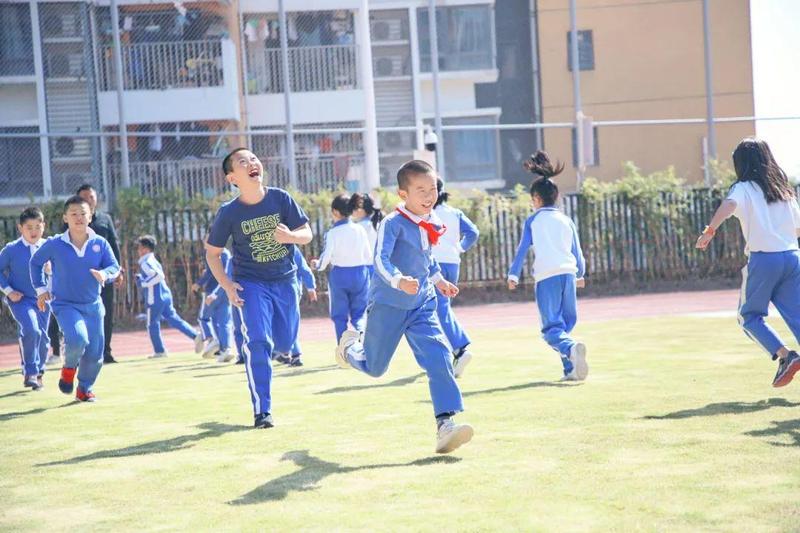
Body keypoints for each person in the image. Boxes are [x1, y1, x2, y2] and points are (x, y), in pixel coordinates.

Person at [336, 160, 473, 454]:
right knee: (375, 368)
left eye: (433, 188)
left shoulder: (429, 219)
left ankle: (445, 425)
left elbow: (426, 259)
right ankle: (349, 349)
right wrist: (399, 281)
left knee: (439, 357)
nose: (429, 195)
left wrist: (438, 281)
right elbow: (380, 260)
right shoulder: (392, 223)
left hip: (422, 304)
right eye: (421, 190)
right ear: (403, 194)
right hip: (388, 305)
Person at [205, 147, 313, 429]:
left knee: (285, 343)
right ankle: (262, 410)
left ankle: (280, 350)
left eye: (254, 158)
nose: (252, 163)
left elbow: (307, 234)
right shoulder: (229, 213)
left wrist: (291, 237)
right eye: (243, 161)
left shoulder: (280, 198)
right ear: (232, 178)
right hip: (250, 283)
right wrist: (227, 285)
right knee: (257, 342)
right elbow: (212, 253)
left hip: (285, 280)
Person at [696, 138, 800, 387]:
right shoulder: (784, 190)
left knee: (749, 316)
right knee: (797, 316)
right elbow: (797, 228)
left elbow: (729, 204)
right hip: (792, 257)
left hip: (764, 260)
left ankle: (786, 356)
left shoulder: (743, 188)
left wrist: (709, 231)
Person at [507, 150, 588, 382]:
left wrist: (513, 275)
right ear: (557, 197)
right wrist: (580, 274)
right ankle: (570, 369)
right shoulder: (566, 220)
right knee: (563, 326)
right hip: (568, 275)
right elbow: (577, 251)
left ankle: (570, 349)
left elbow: (522, 249)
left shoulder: (533, 220)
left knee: (550, 330)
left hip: (547, 277)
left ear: (536, 199)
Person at [30, 196, 120, 402]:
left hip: (93, 305)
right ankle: (69, 368)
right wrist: (41, 289)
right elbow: (35, 263)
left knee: (95, 353)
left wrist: (104, 274)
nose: (79, 217)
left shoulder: (100, 243)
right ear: (65, 218)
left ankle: (84, 389)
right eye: (74, 214)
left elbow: (114, 267)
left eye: (83, 213)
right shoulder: (55, 244)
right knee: (78, 339)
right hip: (65, 304)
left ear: (90, 217)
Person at [48, 184, 123, 365]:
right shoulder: (72, 221)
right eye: (84, 197)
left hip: (102, 277)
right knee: (67, 315)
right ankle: (59, 351)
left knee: (105, 314)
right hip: (75, 280)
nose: (89, 200)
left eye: (92, 197)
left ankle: (105, 352)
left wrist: (117, 270)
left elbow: (113, 245)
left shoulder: (105, 219)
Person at [431, 179, 480, 378]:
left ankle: (460, 349)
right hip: (452, 263)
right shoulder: (454, 212)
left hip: (435, 265)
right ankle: (449, 353)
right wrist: (460, 247)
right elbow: (473, 232)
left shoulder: (426, 213)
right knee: (442, 308)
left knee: (438, 310)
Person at [0, 207, 50, 390]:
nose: (34, 231)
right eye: (29, 227)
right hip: (20, 300)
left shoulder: (49, 247)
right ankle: (30, 372)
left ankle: (39, 373)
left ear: (44, 226)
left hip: (44, 300)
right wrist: (9, 291)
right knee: (31, 330)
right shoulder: (11, 249)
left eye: (38, 226)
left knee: (43, 339)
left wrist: (52, 270)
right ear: (20, 228)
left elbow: (63, 269)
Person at [312, 193, 372, 344]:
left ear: (335, 212)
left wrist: (317, 265)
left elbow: (326, 256)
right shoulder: (360, 229)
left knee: (339, 316)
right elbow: (368, 255)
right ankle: (363, 338)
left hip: (340, 275)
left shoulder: (332, 233)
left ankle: (343, 347)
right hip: (361, 273)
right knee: (360, 314)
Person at [135, 235, 201, 359]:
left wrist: (142, 283)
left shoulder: (145, 262)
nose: (138, 250)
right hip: (165, 294)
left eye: (139, 247)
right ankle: (195, 335)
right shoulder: (153, 260)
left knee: (152, 324)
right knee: (173, 319)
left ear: (145, 249)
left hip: (154, 298)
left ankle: (160, 351)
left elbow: (158, 276)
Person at [193, 234, 235, 362]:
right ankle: (225, 349)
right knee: (223, 321)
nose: (204, 243)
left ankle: (211, 339)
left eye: (206, 240)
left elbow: (211, 273)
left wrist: (199, 283)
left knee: (203, 318)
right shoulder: (226, 253)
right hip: (225, 291)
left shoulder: (213, 254)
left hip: (213, 291)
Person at [274, 246, 318, 367]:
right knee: (288, 322)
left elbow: (304, 269)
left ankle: (293, 354)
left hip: (288, 291)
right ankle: (286, 353)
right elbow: (304, 269)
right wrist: (311, 288)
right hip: (287, 291)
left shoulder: (291, 248)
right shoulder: (289, 247)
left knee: (288, 323)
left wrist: (311, 287)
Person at [348, 192, 384, 259]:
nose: (351, 211)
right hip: (376, 264)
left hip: (362, 264)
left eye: (353, 208)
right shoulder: (378, 225)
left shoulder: (356, 228)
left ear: (360, 209)